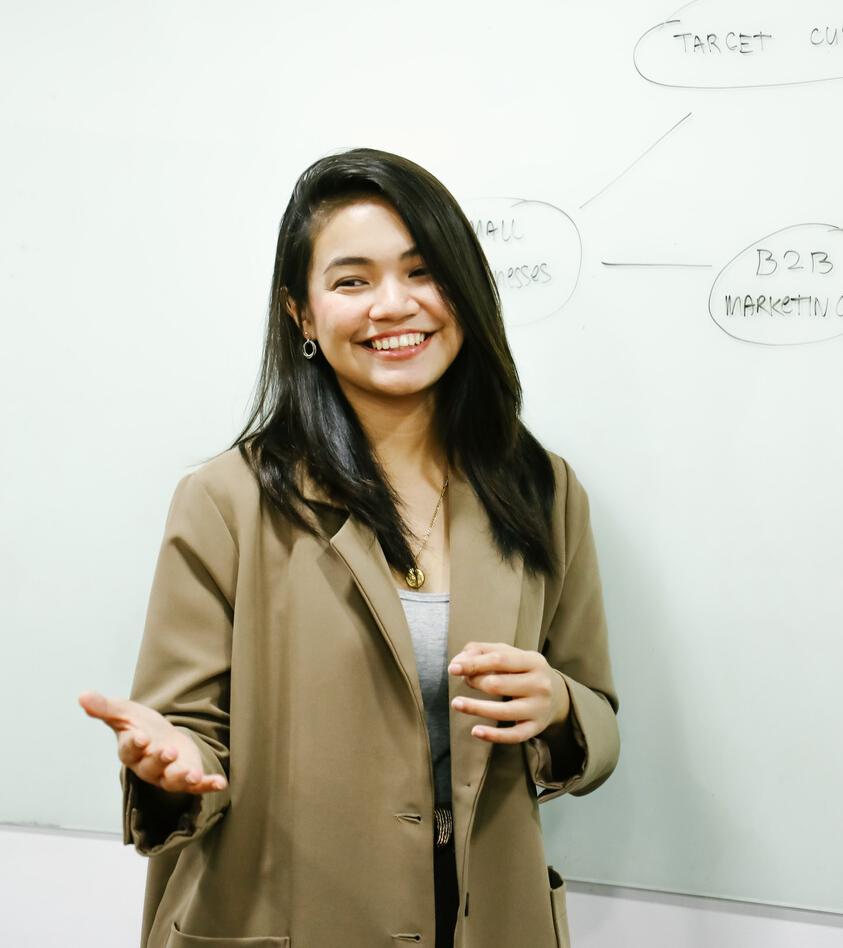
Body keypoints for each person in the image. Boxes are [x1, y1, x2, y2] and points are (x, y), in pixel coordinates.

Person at [79, 147, 619, 948]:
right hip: (286, 919)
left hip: (486, 919)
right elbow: (188, 729)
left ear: (464, 291)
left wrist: (559, 705)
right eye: (352, 280)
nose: (393, 305)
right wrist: (171, 758)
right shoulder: (226, 500)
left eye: (422, 271)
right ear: (301, 313)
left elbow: (598, 713)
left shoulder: (542, 488)